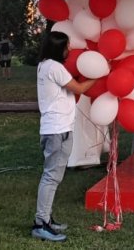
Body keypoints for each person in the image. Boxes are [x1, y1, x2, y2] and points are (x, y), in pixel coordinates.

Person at [32, 30, 97, 243]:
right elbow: (79, 88)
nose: (69, 49)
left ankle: (46, 219)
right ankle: (40, 224)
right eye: (67, 46)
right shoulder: (54, 67)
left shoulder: (45, 65)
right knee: (51, 177)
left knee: (52, 176)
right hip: (57, 130)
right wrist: (99, 75)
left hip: (56, 128)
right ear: (58, 48)